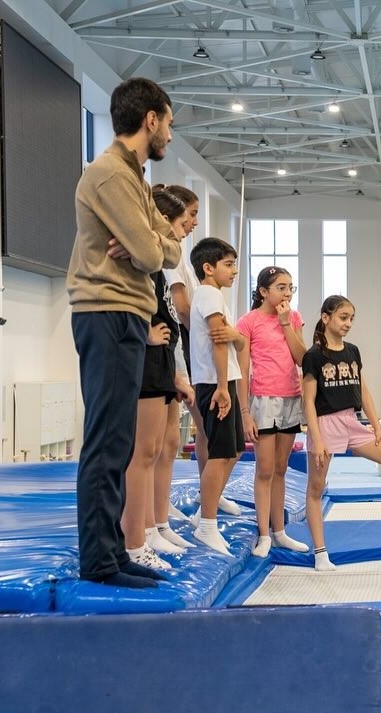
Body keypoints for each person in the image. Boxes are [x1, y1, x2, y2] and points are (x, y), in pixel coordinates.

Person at [66, 77, 180, 588]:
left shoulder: (134, 177)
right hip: (106, 312)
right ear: (150, 119)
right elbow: (156, 254)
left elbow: (171, 247)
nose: (171, 137)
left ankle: (112, 551)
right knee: (108, 442)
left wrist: (146, 240)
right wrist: (148, 244)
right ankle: (99, 561)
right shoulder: (111, 174)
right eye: (169, 124)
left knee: (120, 439)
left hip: (126, 314)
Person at [303, 295, 381, 571]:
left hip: (351, 421)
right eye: (343, 317)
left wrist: (377, 426)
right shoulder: (313, 356)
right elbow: (308, 401)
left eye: (351, 318)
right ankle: (320, 553)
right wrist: (318, 439)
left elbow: (363, 391)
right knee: (316, 488)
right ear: (326, 318)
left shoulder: (353, 351)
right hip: (325, 423)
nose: (348, 323)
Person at [118, 187, 196, 571]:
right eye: (184, 221)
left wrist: (177, 372)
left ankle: (153, 524)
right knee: (143, 452)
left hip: (163, 361)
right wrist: (143, 331)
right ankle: (136, 539)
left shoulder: (160, 271)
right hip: (145, 361)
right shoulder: (142, 262)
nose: (189, 227)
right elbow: (123, 302)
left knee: (163, 447)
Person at [162, 185, 243, 518]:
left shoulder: (204, 285)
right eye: (190, 215)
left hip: (200, 361)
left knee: (222, 445)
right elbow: (186, 312)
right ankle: (179, 512)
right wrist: (214, 375)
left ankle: (207, 501)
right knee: (177, 440)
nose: (193, 223)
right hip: (190, 360)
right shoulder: (171, 260)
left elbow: (225, 335)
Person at [237, 266, 310, 557]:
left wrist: (285, 324)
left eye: (290, 286)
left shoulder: (292, 318)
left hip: (291, 398)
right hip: (263, 400)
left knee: (281, 469)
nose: (287, 293)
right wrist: (244, 411)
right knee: (264, 469)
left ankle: (280, 532)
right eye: (281, 287)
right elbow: (242, 369)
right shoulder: (248, 322)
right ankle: (264, 534)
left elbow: (302, 357)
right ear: (264, 291)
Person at [188, 237, 248, 554]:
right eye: (228, 264)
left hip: (224, 380)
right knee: (221, 453)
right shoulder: (209, 294)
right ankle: (207, 525)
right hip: (215, 383)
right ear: (208, 268)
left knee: (234, 448)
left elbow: (234, 340)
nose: (234, 271)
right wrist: (223, 387)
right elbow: (219, 341)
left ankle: (204, 512)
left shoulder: (214, 295)